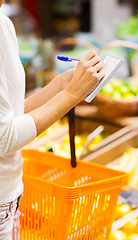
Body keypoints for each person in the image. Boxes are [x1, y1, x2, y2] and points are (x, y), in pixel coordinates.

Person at [0, 0, 105, 239]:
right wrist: (71, 95)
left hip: (11, 195)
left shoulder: (3, 24)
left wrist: (60, 86)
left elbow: (10, 117)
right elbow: (4, 139)